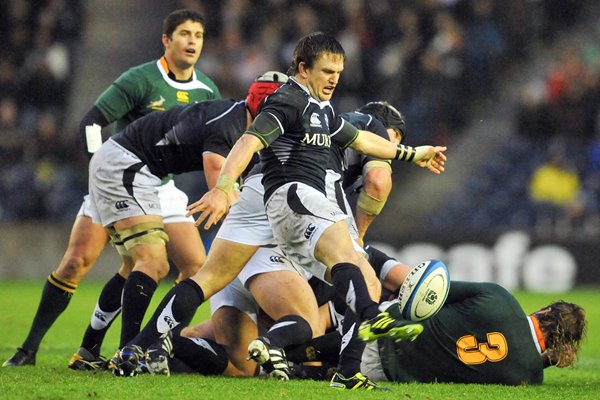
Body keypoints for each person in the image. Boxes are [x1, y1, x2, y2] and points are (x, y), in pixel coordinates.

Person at [113, 32, 447, 390]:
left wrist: (413, 153)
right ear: (303, 69)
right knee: (354, 266)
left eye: (339, 71)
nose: (334, 78)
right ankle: (360, 340)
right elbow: (248, 140)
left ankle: (136, 348)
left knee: (207, 279)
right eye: (327, 70)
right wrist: (224, 186)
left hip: (259, 197)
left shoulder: (322, 109)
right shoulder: (289, 100)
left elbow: (362, 140)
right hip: (291, 194)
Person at [2, 9, 220, 368]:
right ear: (166, 40)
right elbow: (92, 122)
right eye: (184, 33)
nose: (192, 41)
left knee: (195, 267)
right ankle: (29, 348)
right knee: (77, 263)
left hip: (162, 188)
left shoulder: (206, 89)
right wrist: (97, 164)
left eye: (198, 35)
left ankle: (140, 344)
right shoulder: (140, 79)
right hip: (121, 180)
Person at [72, 71, 287, 372]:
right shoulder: (231, 123)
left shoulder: (241, 123)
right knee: (152, 263)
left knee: (196, 267)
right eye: (285, 109)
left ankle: (145, 344)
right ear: (267, 106)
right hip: (126, 163)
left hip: (150, 174)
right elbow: (219, 181)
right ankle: (130, 353)